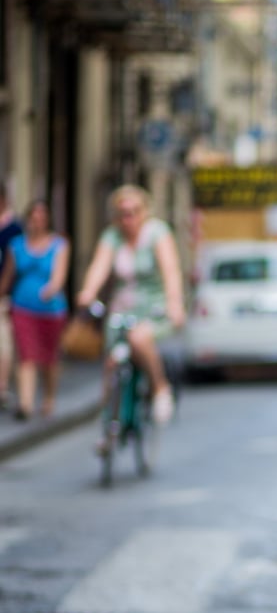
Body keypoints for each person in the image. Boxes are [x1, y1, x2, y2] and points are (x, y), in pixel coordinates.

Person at [76, 184, 185, 437]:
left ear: (145, 212)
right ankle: (108, 423)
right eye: (122, 213)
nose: (129, 219)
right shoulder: (112, 237)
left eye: (134, 212)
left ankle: (160, 388)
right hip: (122, 308)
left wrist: (175, 302)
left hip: (154, 308)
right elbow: (99, 267)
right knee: (112, 361)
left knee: (139, 338)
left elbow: (171, 271)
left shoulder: (157, 233)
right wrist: (87, 292)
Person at [0, 199, 69, 420]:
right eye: (33, 217)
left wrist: (52, 289)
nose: (37, 221)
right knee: (26, 355)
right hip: (22, 307)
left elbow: (59, 275)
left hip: (51, 309)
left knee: (49, 358)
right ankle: (26, 404)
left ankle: (49, 397)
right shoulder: (17, 245)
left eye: (42, 217)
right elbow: (8, 277)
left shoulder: (59, 244)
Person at [0, 181, 24, 410]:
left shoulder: (14, 229)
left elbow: (13, 265)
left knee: (3, 342)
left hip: (5, 295)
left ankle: (2, 387)